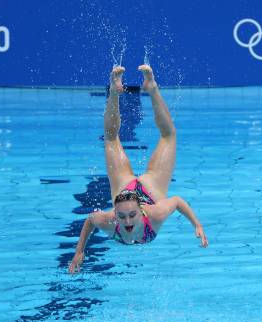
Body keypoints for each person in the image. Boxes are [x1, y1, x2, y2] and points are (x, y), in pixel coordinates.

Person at [69, 65, 208, 273]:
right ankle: (137, 87)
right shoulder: (110, 220)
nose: (127, 221)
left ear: (141, 212)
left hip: (144, 190)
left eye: (131, 215)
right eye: (122, 216)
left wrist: (197, 224)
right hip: (138, 191)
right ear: (115, 213)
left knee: (112, 138)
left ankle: (128, 89)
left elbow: (178, 202)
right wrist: (79, 251)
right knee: (167, 136)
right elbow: (90, 221)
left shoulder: (155, 213)